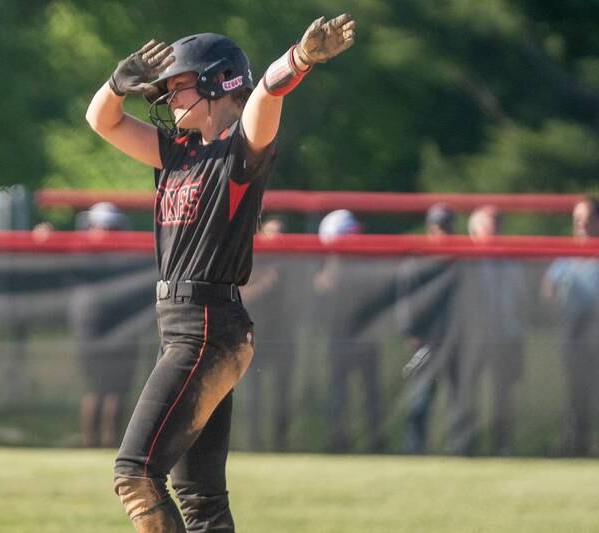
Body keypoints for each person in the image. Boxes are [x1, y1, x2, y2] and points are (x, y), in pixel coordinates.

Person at [86, 14, 356, 532]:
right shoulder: (174, 152)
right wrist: (115, 85)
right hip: (188, 331)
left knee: (135, 472)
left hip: (207, 327)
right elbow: (103, 121)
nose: (166, 95)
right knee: (200, 497)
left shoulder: (236, 152)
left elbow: (265, 99)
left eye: (179, 84)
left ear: (217, 83)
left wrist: (299, 59)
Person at [454, 205, 526, 455]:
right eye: (489, 225)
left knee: (503, 395)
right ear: (474, 231)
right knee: (467, 393)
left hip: (505, 336)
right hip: (474, 338)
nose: (495, 230)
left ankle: (502, 446)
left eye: (498, 224)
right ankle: (465, 446)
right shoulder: (463, 264)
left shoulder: (511, 263)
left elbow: (519, 301)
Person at [71, 202, 141, 448]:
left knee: (114, 389)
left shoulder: (121, 255)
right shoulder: (84, 253)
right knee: (98, 388)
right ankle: (94, 443)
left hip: (117, 322)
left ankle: (109, 443)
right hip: (96, 322)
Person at [313, 209, 384, 453]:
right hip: (339, 341)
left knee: (371, 397)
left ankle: (376, 446)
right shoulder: (325, 268)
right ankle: (336, 445)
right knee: (337, 397)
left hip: (367, 339)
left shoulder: (366, 264)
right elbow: (322, 294)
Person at [397, 203, 460, 454]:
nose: (443, 232)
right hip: (426, 343)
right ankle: (415, 452)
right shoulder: (417, 262)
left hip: (455, 340)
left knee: (457, 403)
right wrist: (411, 332)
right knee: (418, 403)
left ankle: (459, 453)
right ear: (430, 229)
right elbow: (406, 301)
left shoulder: (460, 261)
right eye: (438, 227)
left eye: (447, 227)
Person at [541, 196, 599, 456]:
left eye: (587, 219)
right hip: (573, 338)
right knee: (575, 394)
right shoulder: (565, 257)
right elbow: (547, 290)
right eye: (577, 220)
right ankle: (576, 444)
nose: (582, 225)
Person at [238, 216, 295, 451]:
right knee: (254, 393)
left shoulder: (291, 264)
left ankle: (280, 444)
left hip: (283, 337)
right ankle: (253, 443)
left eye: (281, 233)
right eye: (272, 232)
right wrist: (265, 284)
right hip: (254, 336)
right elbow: (243, 295)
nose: (276, 238)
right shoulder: (250, 260)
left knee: (283, 394)